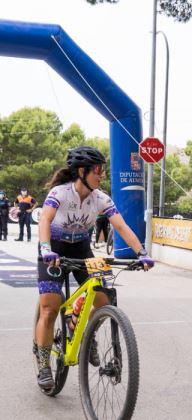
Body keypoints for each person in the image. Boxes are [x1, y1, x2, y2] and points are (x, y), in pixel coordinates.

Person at [34, 146, 155, 390]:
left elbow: (120, 227)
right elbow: (45, 220)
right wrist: (46, 249)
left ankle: (84, 332)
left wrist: (141, 253)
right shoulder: (59, 193)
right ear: (82, 171)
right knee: (49, 307)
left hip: (81, 249)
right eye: (97, 170)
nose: (101, 175)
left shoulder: (101, 198)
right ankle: (44, 363)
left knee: (104, 299)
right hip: (54, 250)